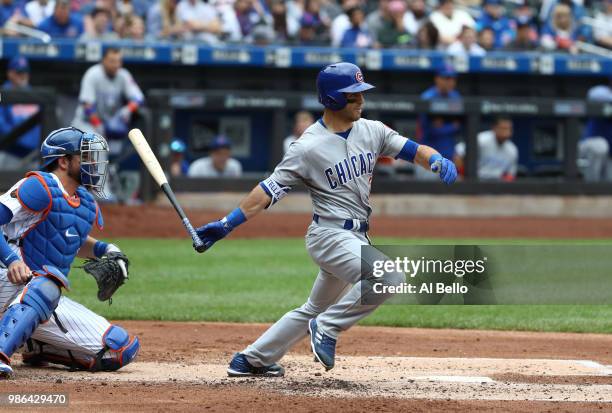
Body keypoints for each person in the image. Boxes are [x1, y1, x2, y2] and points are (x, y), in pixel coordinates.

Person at [194, 62, 457, 377]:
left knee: (312, 309)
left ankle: (251, 360)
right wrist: (226, 224)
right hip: (329, 236)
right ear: (332, 99)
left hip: (355, 236)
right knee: (389, 277)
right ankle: (327, 329)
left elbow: (415, 150)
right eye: (353, 96)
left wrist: (436, 159)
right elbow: (266, 191)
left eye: (361, 95)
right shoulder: (307, 148)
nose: (361, 101)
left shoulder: (372, 130)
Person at [0, 127, 139, 379]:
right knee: (47, 284)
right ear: (63, 162)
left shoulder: (85, 203)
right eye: (85, 157)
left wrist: (108, 250)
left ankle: (37, 344)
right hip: (6, 277)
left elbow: (67, 237)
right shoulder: (39, 186)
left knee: (119, 347)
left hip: (31, 293)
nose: (94, 163)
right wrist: (10, 260)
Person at [72, 47, 145, 202]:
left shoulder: (123, 75)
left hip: (108, 124)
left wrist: (128, 109)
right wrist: (98, 125)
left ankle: (121, 189)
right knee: (98, 144)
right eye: (112, 61)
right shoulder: (93, 74)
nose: (115, 65)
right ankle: (100, 190)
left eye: (118, 61)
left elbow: (138, 98)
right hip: (85, 123)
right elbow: (87, 105)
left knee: (118, 148)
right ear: (103, 60)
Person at [416, 65, 462, 180]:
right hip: (427, 156)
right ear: (437, 79)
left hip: (450, 154)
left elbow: (460, 127)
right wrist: (451, 126)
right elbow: (430, 129)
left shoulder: (456, 97)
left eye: (452, 79)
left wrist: (443, 126)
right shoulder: (427, 97)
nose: (450, 82)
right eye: (446, 78)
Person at [0, 56, 40, 170]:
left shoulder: (34, 93)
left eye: (25, 72)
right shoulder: (2, 93)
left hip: (33, 155)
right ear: (10, 73)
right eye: (19, 72)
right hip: (10, 153)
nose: (23, 76)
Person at [455, 116, 518, 181]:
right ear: (494, 128)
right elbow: (459, 152)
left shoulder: (512, 149)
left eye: (509, 129)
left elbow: (511, 174)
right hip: (475, 181)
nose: (506, 132)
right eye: (503, 128)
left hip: (497, 185)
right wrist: (463, 175)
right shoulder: (482, 139)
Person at [578, 84, 612, 182]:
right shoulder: (602, 91)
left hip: (609, 155)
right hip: (589, 146)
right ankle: (591, 185)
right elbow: (593, 95)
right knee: (600, 146)